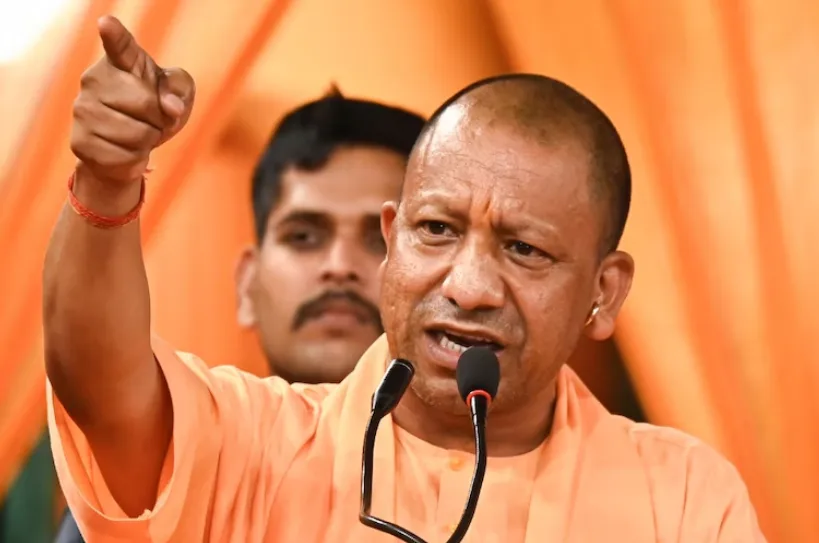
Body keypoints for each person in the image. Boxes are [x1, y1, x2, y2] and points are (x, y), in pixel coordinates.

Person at [44, 15, 767, 542]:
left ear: (603, 294)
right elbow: (99, 384)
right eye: (437, 230)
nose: (470, 286)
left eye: (523, 249)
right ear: (393, 241)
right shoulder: (252, 441)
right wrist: (108, 181)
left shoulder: (681, 496)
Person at [50, 87, 425, 543]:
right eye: (304, 236)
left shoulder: (495, 469)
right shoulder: (186, 467)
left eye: (381, 240)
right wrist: (105, 181)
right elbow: (96, 373)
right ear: (247, 284)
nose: (339, 265)